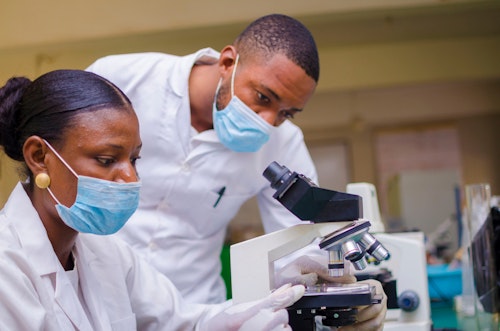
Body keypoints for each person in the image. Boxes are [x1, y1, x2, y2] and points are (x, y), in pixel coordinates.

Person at [87, 13, 387, 329]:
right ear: (228, 62)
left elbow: (301, 242)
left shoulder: (282, 143)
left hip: (198, 311)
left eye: (286, 113)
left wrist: (349, 284)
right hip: (95, 299)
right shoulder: (121, 78)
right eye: (262, 97)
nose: (268, 120)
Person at [0, 69, 306, 330]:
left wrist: (260, 306)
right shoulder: (7, 264)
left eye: (134, 159)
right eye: (107, 160)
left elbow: (183, 322)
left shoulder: (107, 253)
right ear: (39, 157)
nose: (131, 179)